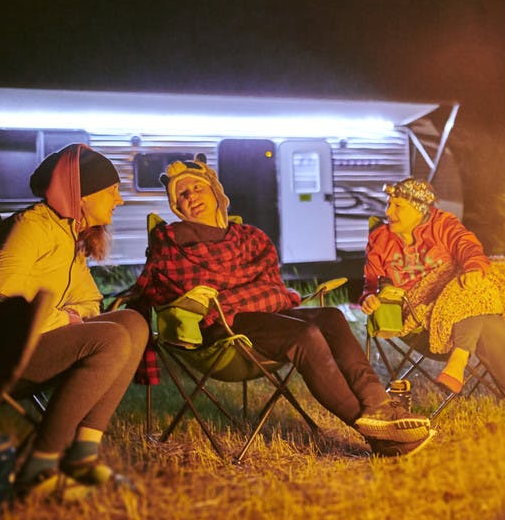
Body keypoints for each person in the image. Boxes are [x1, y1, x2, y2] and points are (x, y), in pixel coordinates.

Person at [130, 157, 433, 457]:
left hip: (261, 318)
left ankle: (378, 403)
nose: (192, 196)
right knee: (305, 335)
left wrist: (240, 291)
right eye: (182, 194)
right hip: (222, 331)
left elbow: (270, 284)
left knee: (330, 316)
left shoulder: (249, 237)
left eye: (197, 187)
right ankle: (377, 433)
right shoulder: (171, 241)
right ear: (176, 207)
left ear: (215, 192)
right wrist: (247, 292)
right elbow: (187, 288)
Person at [0, 143, 149, 498]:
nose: (118, 201)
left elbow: (89, 300)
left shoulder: (69, 232)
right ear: (82, 195)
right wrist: (64, 319)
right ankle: (38, 469)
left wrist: (74, 317)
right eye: (112, 192)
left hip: (35, 340)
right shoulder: (32, 226)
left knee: (133, 323)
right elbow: (0, 297)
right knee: (111, 339)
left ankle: (82, 455)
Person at [360, 178, 505, 421]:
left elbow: (467, 247)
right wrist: (370, 297)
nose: (389, 212)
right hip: (419, 319)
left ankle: (459, 359)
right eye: (389, 204)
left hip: (457, 310)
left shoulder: (442, 225)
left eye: (398, 206)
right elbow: (371, 282)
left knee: (474, 280)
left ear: (419, 207)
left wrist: (473, 267)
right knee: (486, 306)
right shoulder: (381, 238)